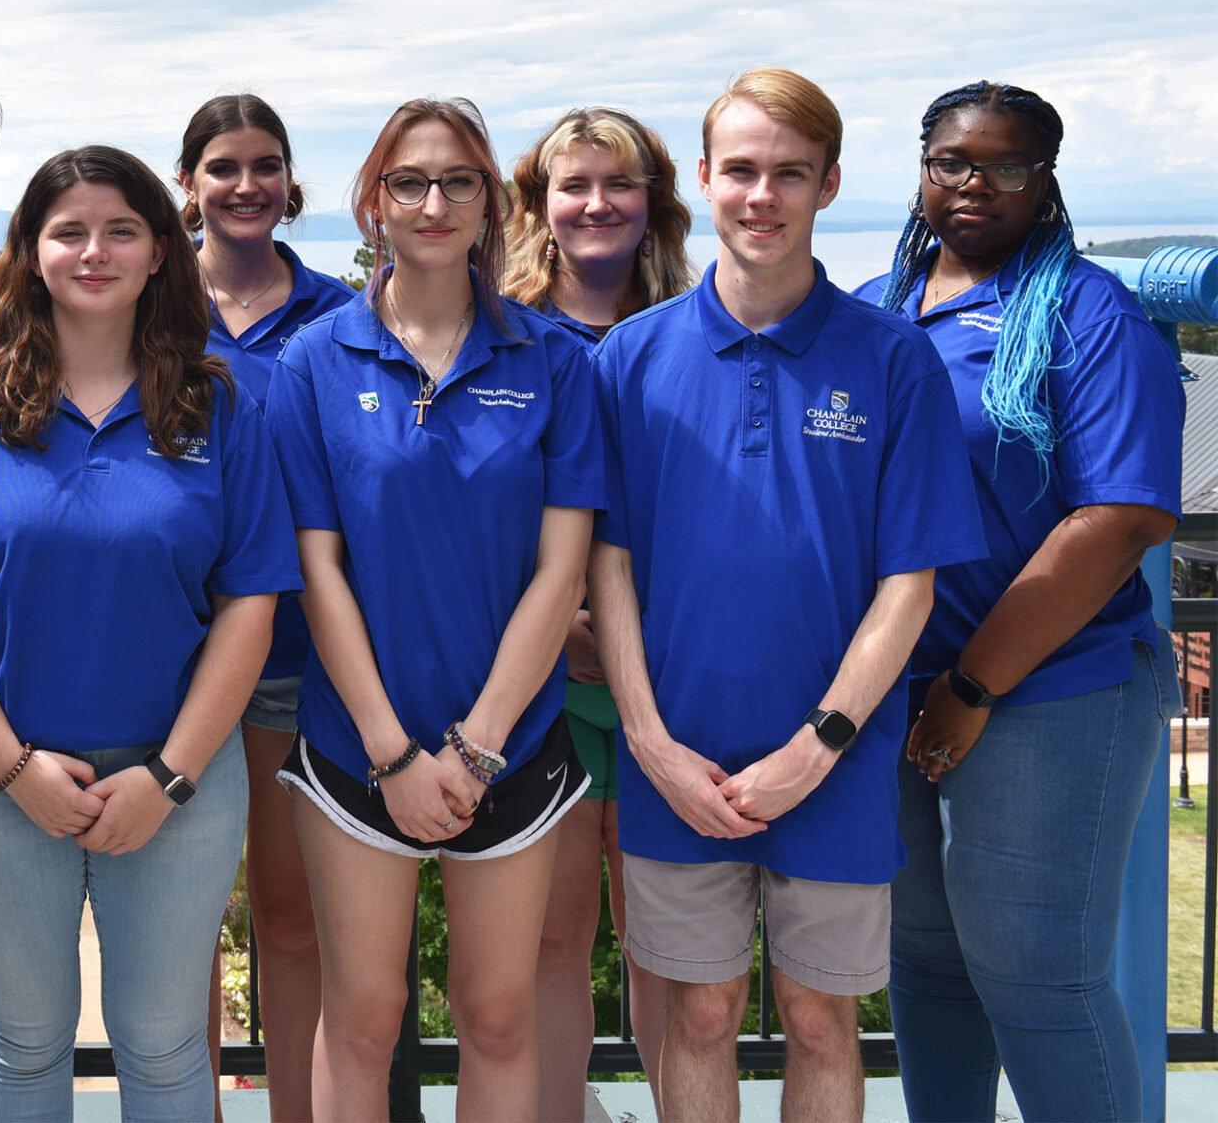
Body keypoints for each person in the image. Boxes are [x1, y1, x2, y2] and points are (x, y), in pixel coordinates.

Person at [0, 144, 297, 1121]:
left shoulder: (220, 404)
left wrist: (172, 776)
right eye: (69, 231)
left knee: (167, 1040)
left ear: (157, 254)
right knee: (20, 1040)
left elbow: (251, 604)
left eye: (121, 230)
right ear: (32, 251)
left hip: (177, 775)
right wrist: (14, 768)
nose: (94, 250)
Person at [589, 68, 986, 1122]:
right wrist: (652, 743)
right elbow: (608, 567)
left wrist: (819, 745)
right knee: (700, 1013)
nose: (763, 196)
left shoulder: (893, 359)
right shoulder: (629, 360)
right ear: (708, 178)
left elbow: (910, 585)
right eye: (744, 171)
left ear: (830, 184)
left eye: (791, 174)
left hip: (837, 764)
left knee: (820, 1018)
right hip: (676, 759)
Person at [263, 99, 599, 1121]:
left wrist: (478, 747)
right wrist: (394, 755)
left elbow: (562, 573)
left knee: (497, 1018)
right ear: (373, 204)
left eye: (458, 180)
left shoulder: (553, 361)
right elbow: (316, 569)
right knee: (361, 1015)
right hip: (359, 746)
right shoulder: (314, 363)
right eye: (408, 181)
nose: (433, 201)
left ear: (491, 203)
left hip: (512, 745)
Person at [855, 82, 1181, 1121]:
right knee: (928, 967)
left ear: (1046, 184)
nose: (974, 184)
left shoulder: (1090, 314)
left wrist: (973, 682)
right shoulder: (874, 308)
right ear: (922, 165)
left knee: (1039, 978)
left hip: (1048, 691)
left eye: (1007, 166)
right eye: (953, 160)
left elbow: (1121, 517)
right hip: (894, 690)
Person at [504, 107, 697, 1120]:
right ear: (539, 203)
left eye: (616, 183)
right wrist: (563, 626)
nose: (594, 204)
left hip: (678, 686)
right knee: (550, 940)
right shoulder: (499, 338)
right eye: (573, 185)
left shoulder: (708, 329)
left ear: (654, 202)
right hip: (546, 689)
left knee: (673, 949)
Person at [173, 92, 353, 1122]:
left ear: (290, 185)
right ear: (187, 183)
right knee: (183, 927)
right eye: (224, 166)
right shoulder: (150, 307)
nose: (247, 185)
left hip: (296, 654)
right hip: (174, 659)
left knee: (291, 917)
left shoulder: (336, 316)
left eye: (266, 165)